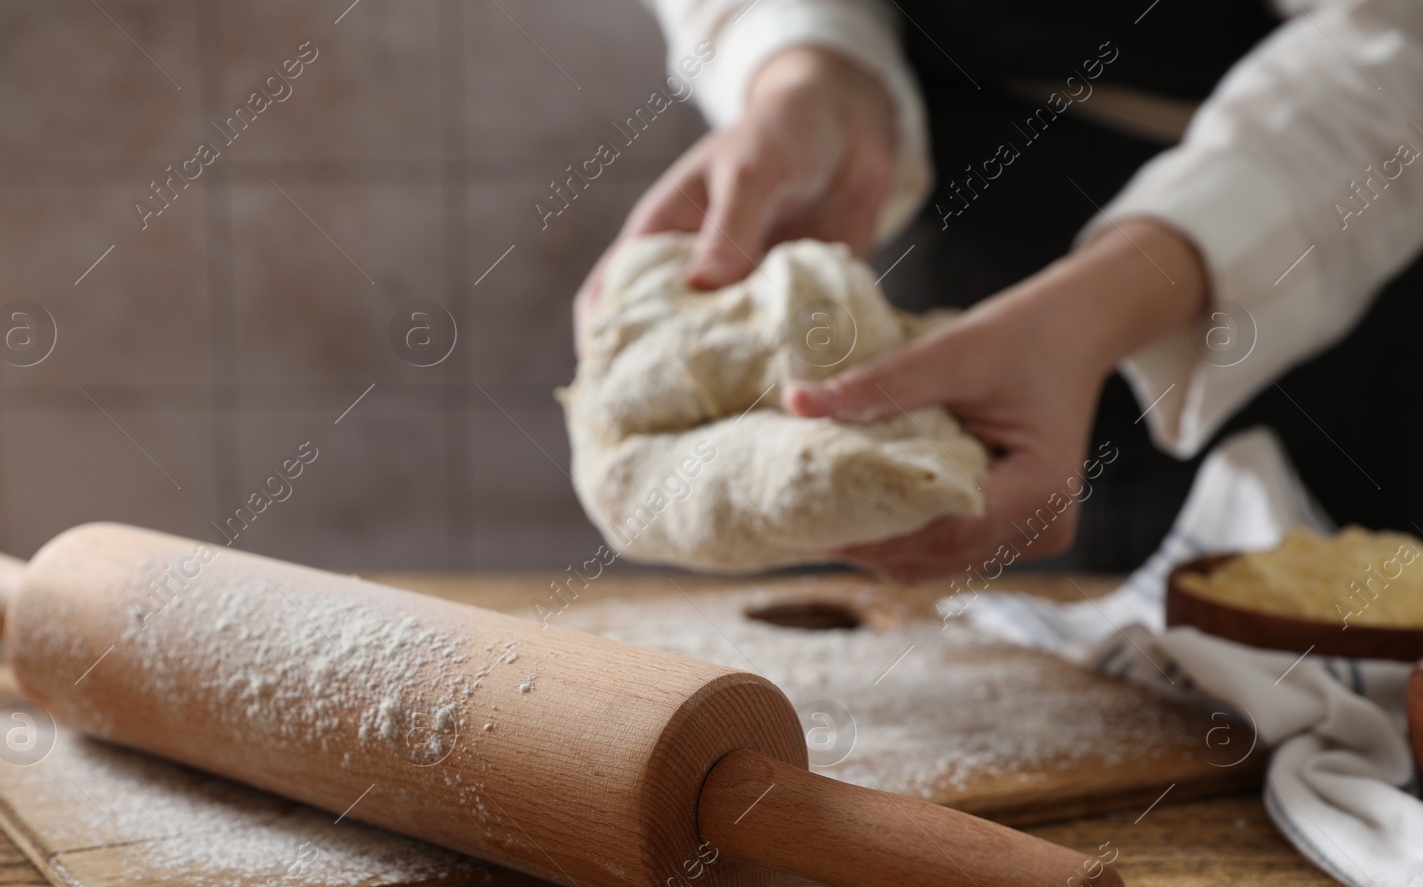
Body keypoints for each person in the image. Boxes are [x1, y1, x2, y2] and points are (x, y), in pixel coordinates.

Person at [577, 0, 1423, 583]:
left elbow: (1400, 50)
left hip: (1295, 256)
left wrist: (1094, 314)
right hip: (915, 222)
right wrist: (807, 66)